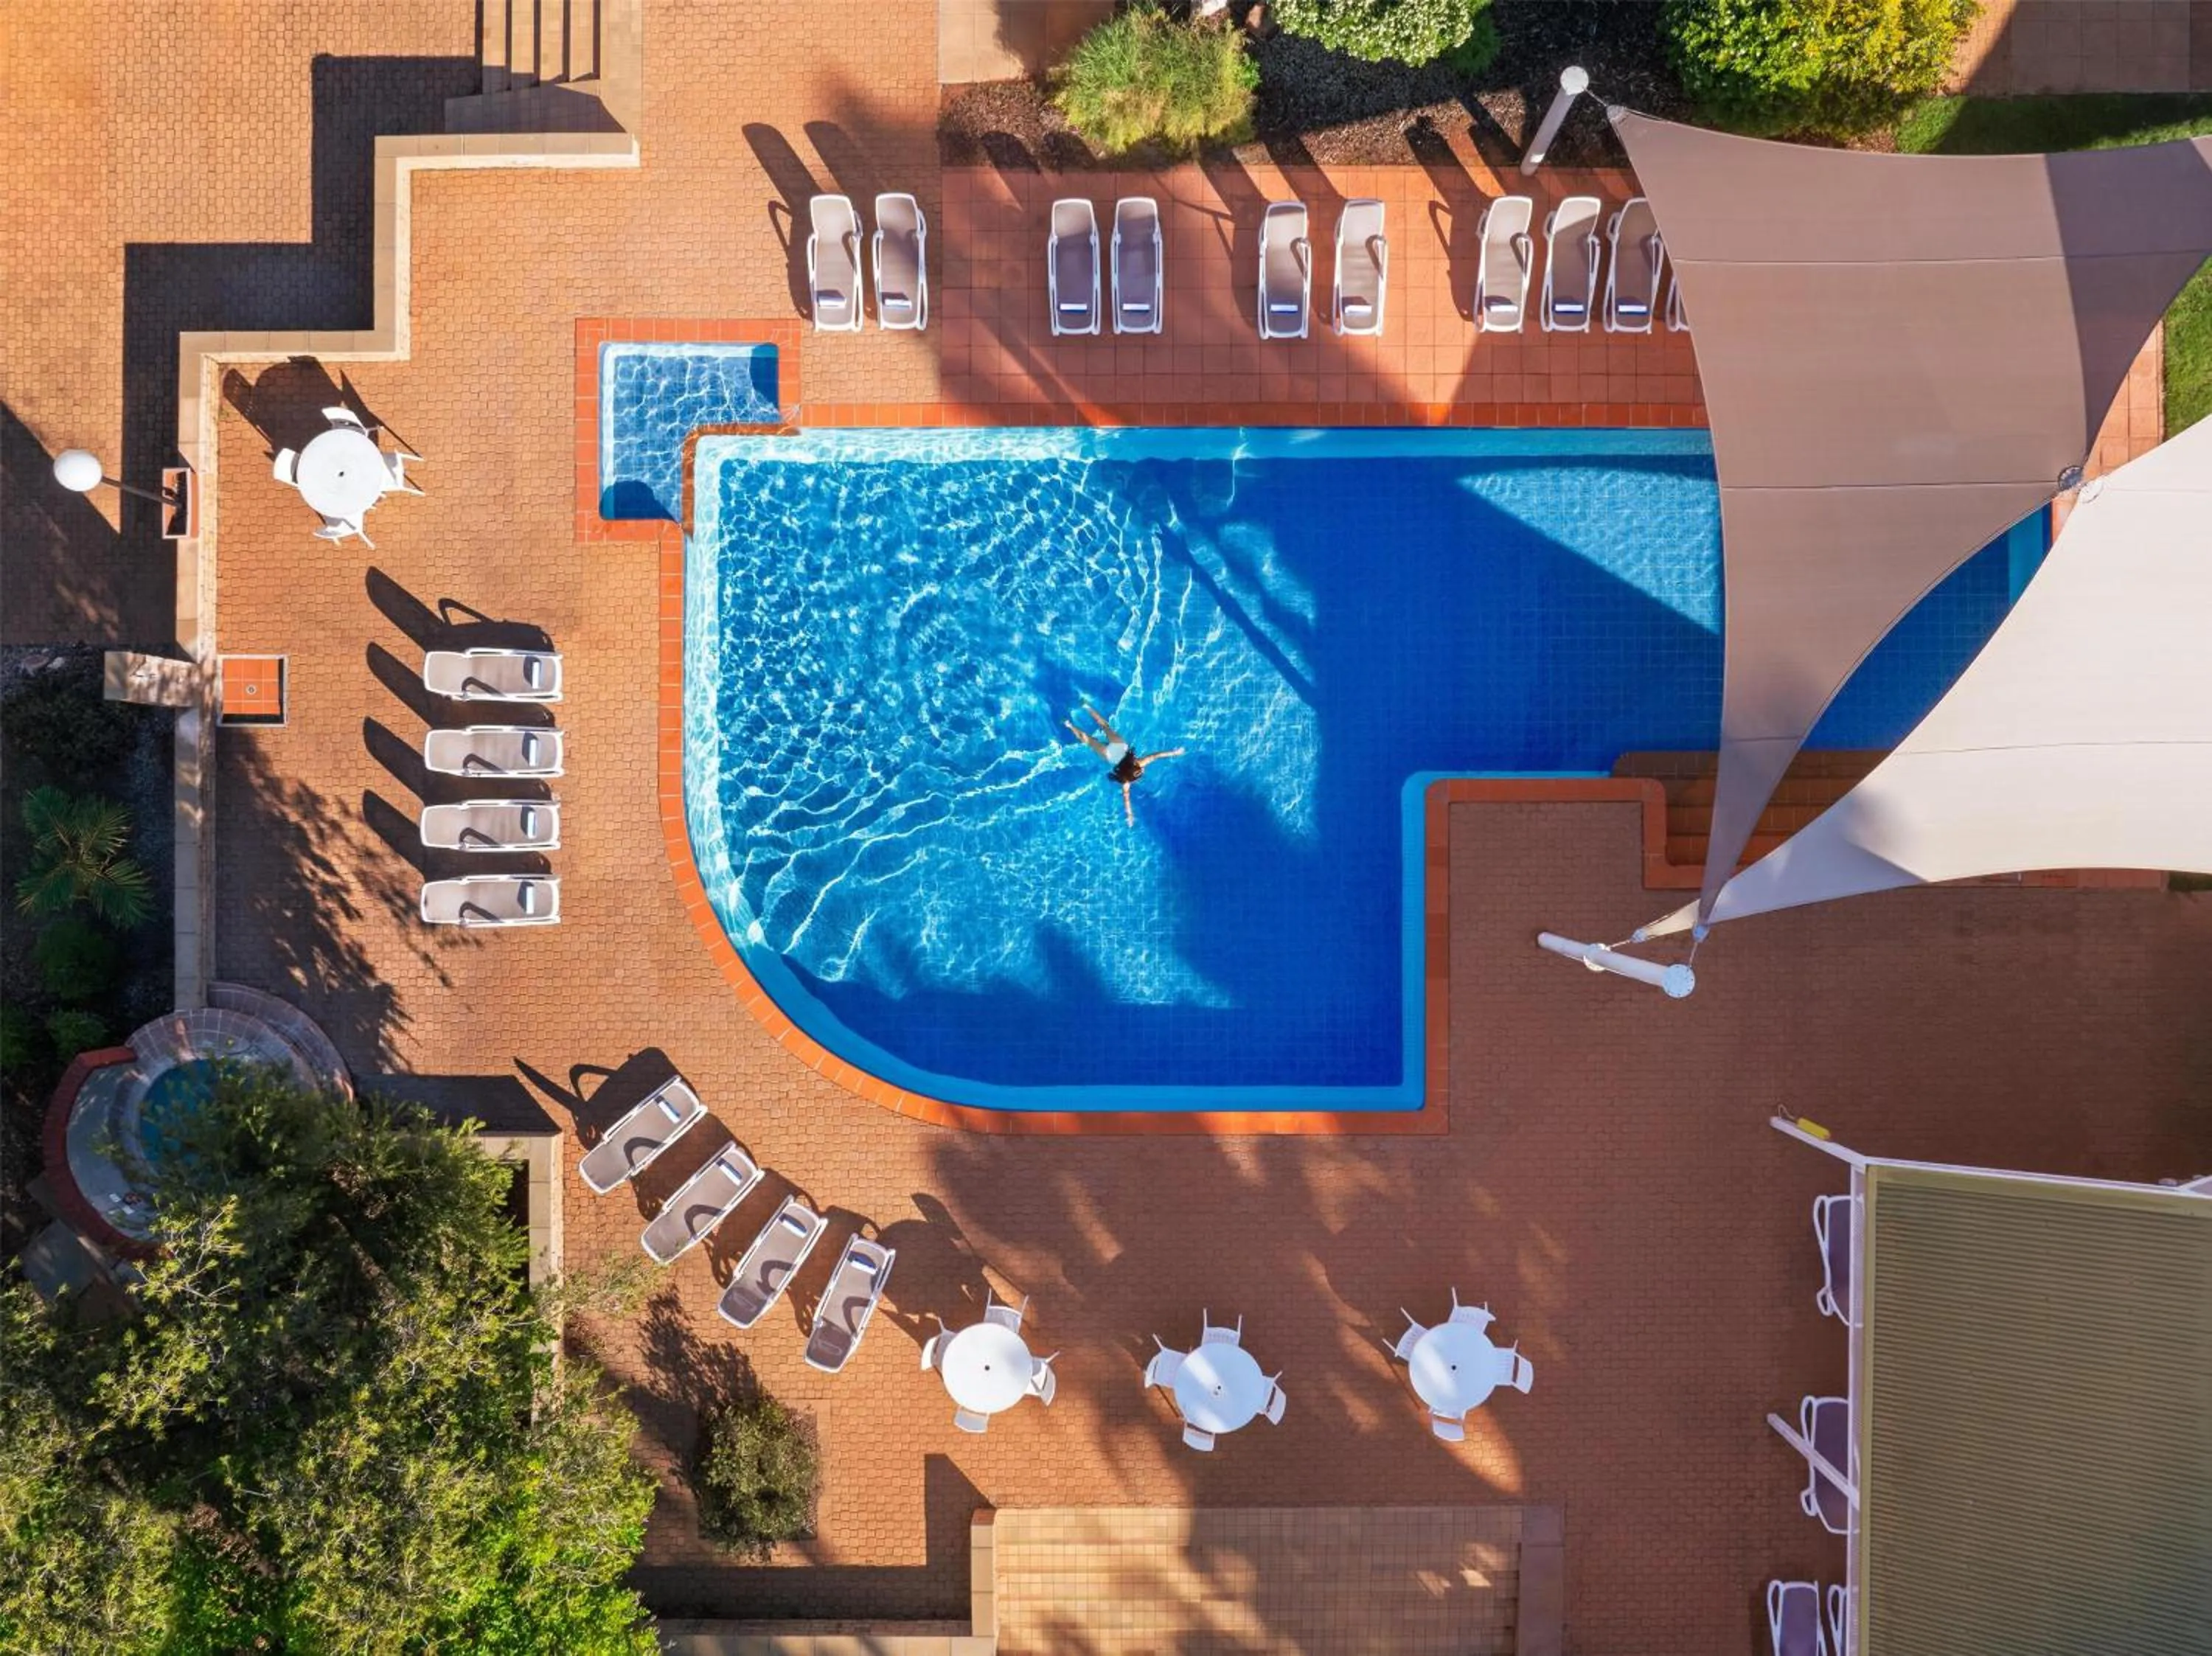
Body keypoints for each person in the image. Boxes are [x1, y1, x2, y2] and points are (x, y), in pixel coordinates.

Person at [1065, 703, 1183, 827]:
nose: (1142, 772)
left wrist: (1174, 752)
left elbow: (1156, 756)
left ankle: (1086, 706)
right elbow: (1126, 799)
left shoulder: (1139, 763)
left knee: (1104, 725)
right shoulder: (1126, 781)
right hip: (1110, 755)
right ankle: (1069, 725)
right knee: (1087, 740)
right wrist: (1130, 815)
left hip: (1120, 746)